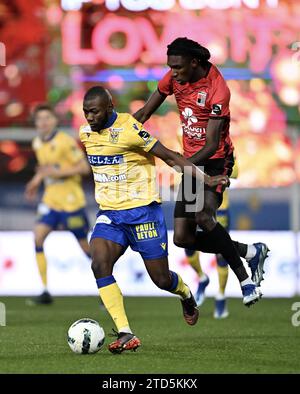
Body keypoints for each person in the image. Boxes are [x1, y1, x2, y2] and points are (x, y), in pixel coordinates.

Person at [80, 86, 228, 354]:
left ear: (110, 108)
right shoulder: (86, 133)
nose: (89, 117)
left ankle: (185, 293)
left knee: (161, 280)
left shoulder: (130, 130)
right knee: (99, 264)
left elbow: (170, 156)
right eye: (86, 112)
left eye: (94, 111)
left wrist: (206, 180)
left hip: (143, 213)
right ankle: (126, 333)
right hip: (110, 214)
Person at [133, 37, 269, 307]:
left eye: (178, 67)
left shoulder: (218, 89)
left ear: (194, 62)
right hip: (192, 161)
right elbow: (148, 109)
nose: (173, 72)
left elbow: (211, 145)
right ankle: (250, 252)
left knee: (203, 214)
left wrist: (181, 165)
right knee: (183, 238)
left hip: (215, 160)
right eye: (170, 67)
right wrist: (126, 126)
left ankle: (245, 280)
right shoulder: (175, 76)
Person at [25, 104, 91, 304]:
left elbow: (84, 168)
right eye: (39, 119)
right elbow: (45, 169)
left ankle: (105, 283)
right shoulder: (37, 142)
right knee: (38, 238)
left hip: (72, 203)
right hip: (50, 201)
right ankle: (45, 291)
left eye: (47, 118)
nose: (43, 122)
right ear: (36, 123)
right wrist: (35, 182)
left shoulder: (65, 141)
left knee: (86, 249)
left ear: (54, 121)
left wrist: (57, 173)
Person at [186, 160, 238, 318]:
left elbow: (234, 173)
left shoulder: (224, 146)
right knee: (188, 244)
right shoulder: (189, 144)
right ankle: (202, 278)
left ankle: (221, 296)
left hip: (219, 208)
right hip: (194, 204)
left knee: (221, 251)